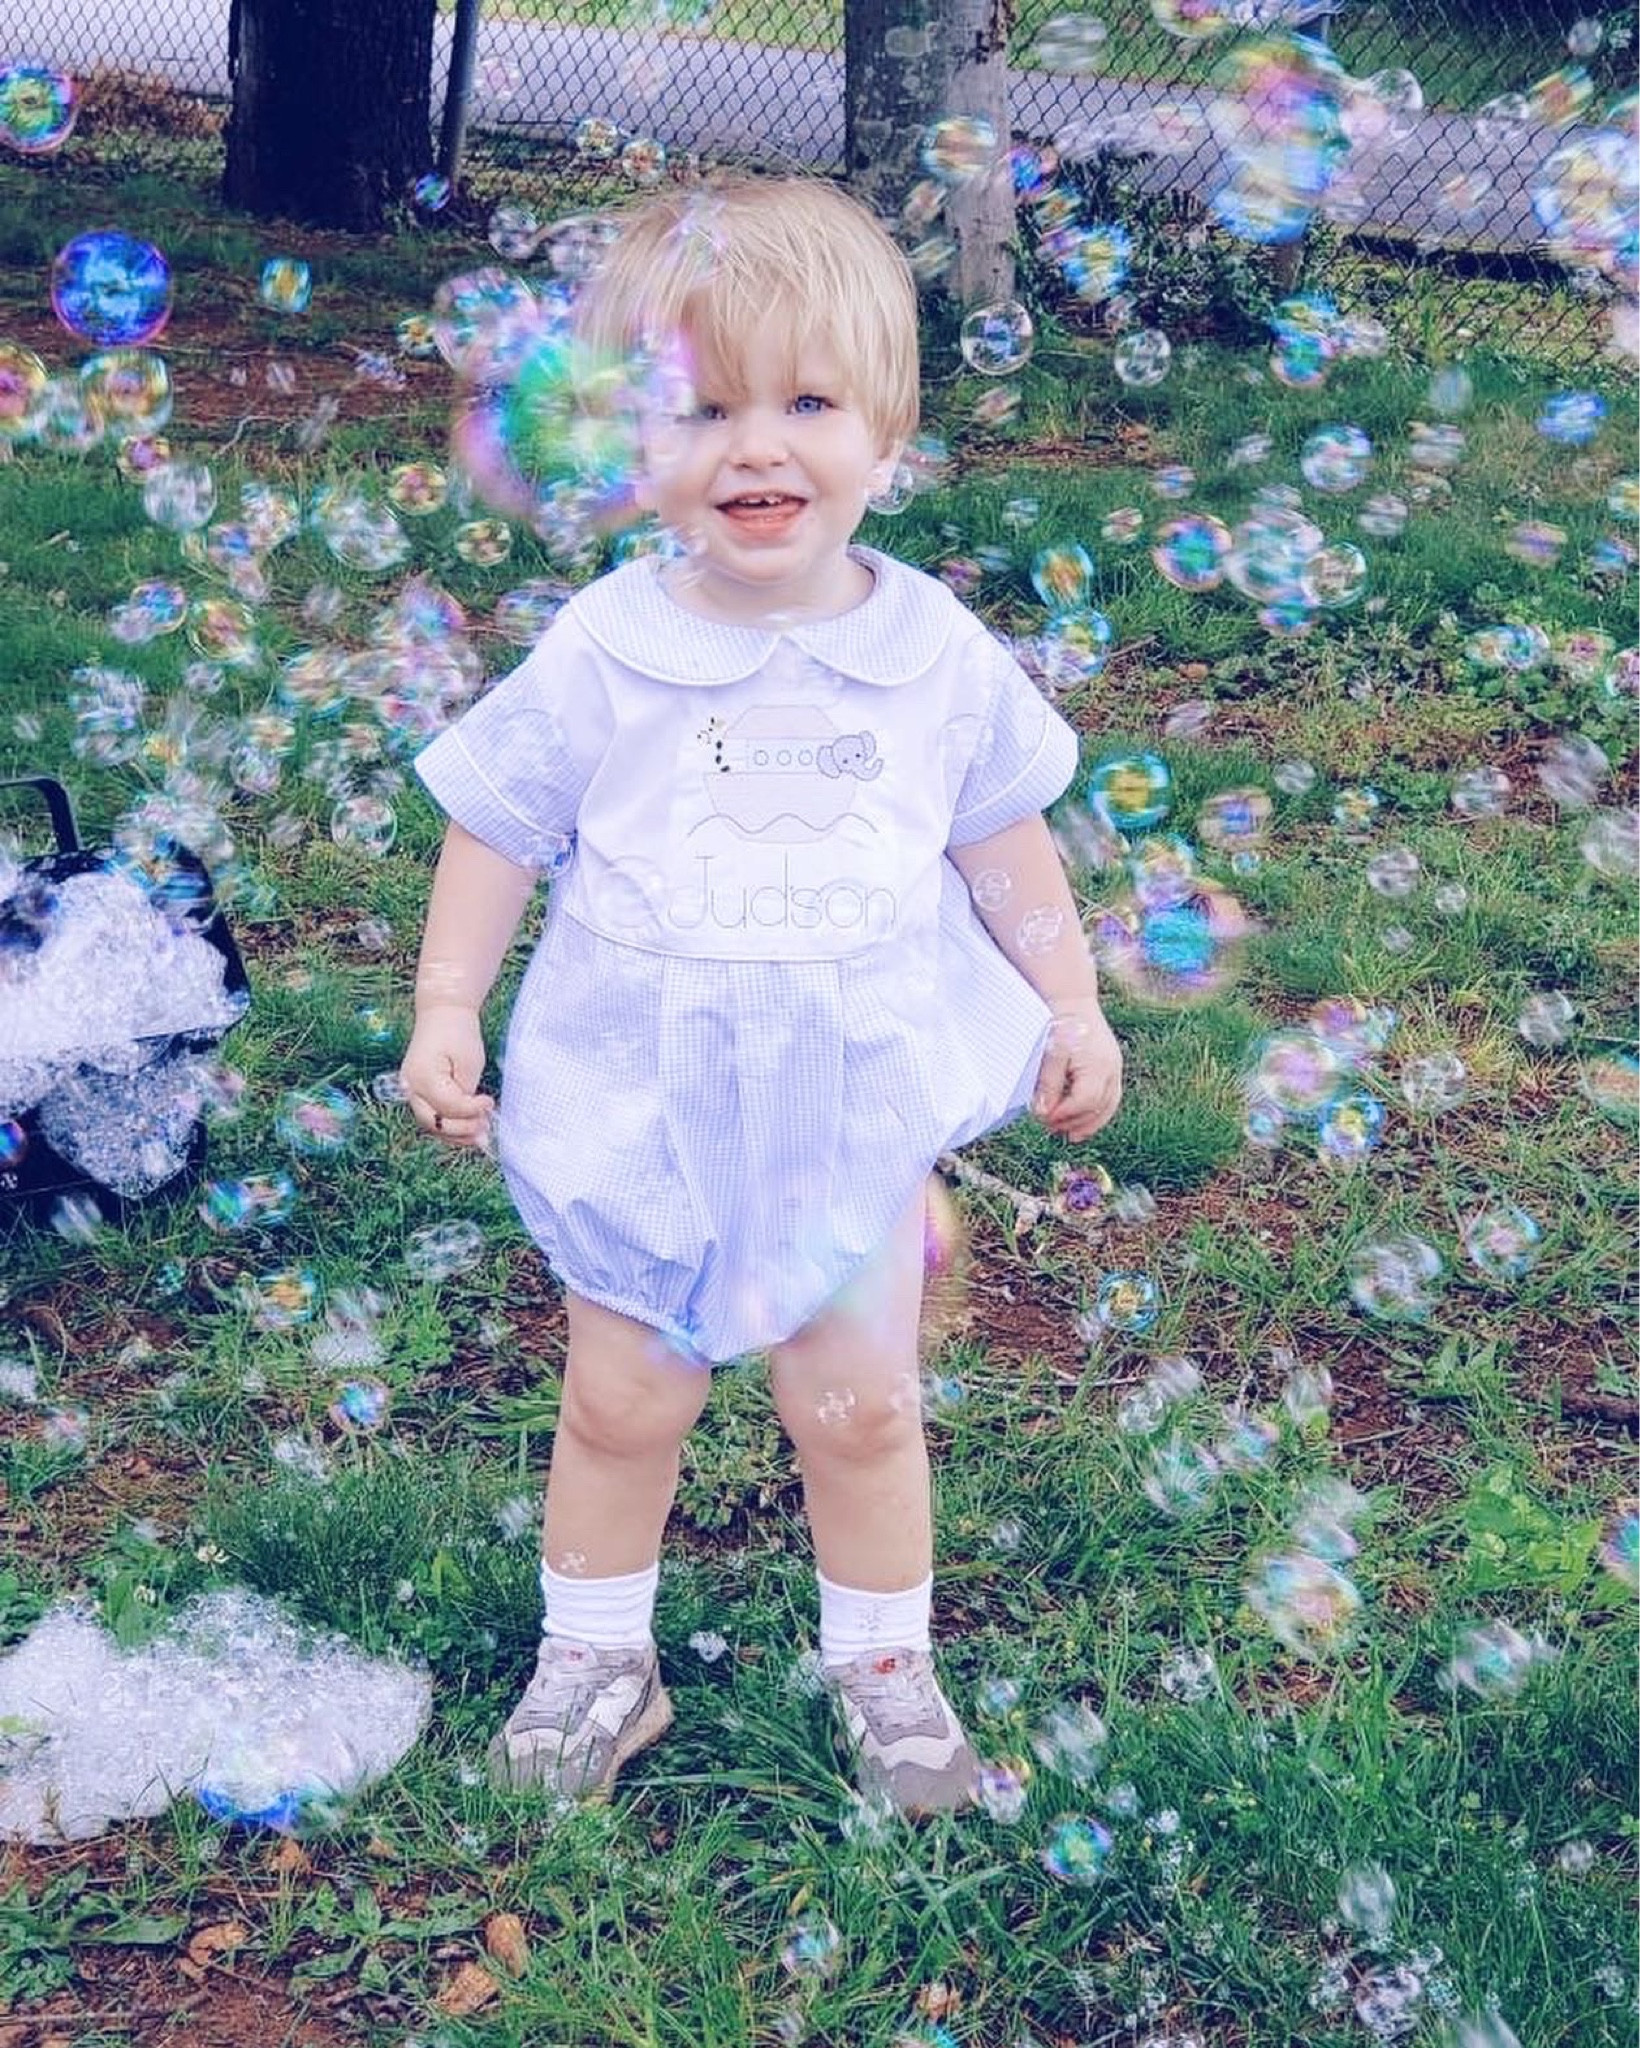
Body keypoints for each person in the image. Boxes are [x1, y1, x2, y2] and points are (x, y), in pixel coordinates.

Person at [400, 175, 1123, 1815]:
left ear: (889, 431)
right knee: (620, 1395)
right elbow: (496, 827)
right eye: (703, 410)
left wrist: (1071, 1003)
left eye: (806, 404)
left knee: (858, 1407)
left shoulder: (933, 654)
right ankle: (598, 1659)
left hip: (845, 1106)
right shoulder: (606, 647)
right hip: (638, 1101)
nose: (755, 450)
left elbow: (1004, 846)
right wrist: (448, 1005)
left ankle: (888, 1677)